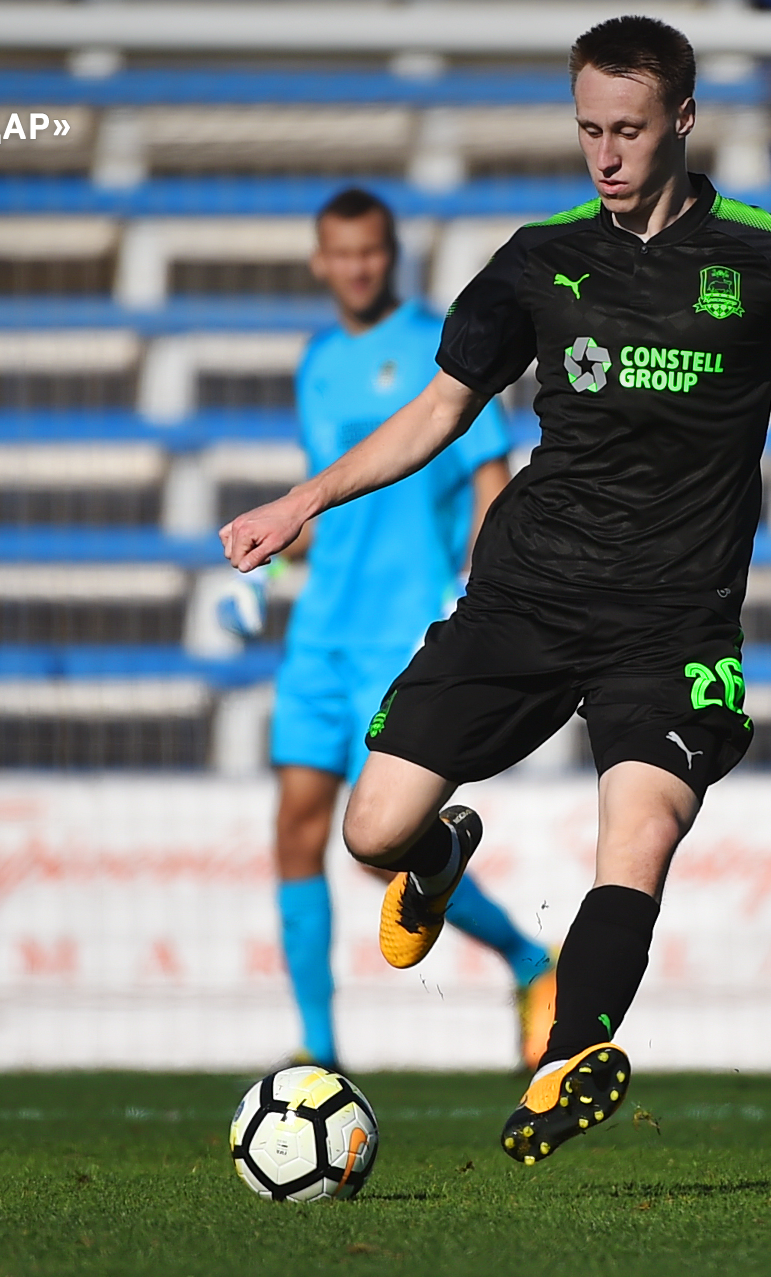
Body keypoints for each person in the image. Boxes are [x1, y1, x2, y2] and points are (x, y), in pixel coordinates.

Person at [222, 18, 771, 1163]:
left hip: (673, 620)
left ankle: (567, 1059)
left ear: (683, 121)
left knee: (642, 828)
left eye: (629, 130)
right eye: (589, 129)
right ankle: (437, 857)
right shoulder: (536, 260)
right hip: (526, 595)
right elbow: (441, 409)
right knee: (371, 829)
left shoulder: (770, 255)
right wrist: (304, 500)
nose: (605, 154)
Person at [252, 187, 555, 1074]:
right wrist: (265, 571)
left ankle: (529, 957)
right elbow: (327, 498)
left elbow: (491, 478)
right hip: (321, 631)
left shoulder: (442, 346)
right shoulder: (317, 363)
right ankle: (318, 1047)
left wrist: (477, 588)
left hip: (402, 631)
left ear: (392, 255)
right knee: (295, 825)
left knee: (379, 848)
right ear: (320, 260)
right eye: (342, 253)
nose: (358, 267)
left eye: (372, 251)